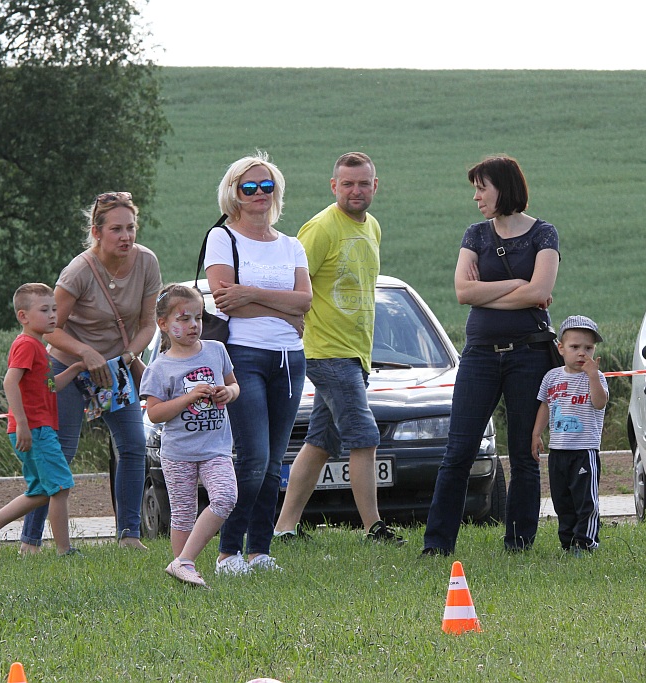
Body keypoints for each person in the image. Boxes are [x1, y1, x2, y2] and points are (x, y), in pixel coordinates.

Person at [422, 154, 560, 555]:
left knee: (524, 453)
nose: (476, 197)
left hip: (529, 356)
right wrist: (518, 283)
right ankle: (437, 545)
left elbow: (540, 293)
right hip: (480, 355)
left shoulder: (544, 234)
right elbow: (464, 293)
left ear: (505, 187)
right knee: (458, 451)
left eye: (482, 188)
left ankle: (519, 544)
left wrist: (494, 294)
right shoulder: (476, 234)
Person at [272, 152, 403, 544]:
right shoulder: (321, 228)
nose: (356, 191)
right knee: (364, 435)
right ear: (334, 187)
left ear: (375, 186)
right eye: (347, 184)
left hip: (356, 353)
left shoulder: (373, 227)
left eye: (363, 183)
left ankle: (284, 529)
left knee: (321, 442)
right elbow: (291, 286)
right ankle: (373, 528)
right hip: (327, 351)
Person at [22, 192, 161, 553]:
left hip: (114, 369)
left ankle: (129, 536)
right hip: (67, 367)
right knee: (60, 455)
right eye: (116, 229)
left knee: (133, 446)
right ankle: (30, 542)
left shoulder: (147, 262)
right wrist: (85, 352)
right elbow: (49, 328)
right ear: (97, 232)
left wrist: (128, 356)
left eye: (130, 227)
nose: (126, 236)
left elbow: (148, 324)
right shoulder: (79, 271)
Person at [205, 152, 311, 576]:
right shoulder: (223, 238)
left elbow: (305, 301)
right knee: (252, 457)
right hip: (243, 356)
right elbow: (224, 300)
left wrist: (251, 296)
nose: (259, 195)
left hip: (289, 359)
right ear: (234, 193)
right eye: (249, 187)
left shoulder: (291, 245)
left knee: (273, 461)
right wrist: (283, 311)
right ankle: (228, 552)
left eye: (266, 186)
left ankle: (259, 550)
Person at [0, 284, 84, 559]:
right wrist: (22, 423)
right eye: (44, 310)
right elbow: (10, 381)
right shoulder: (27, 345)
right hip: (35, 429)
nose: (52, 315)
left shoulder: (39, 347)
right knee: (61, 486)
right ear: (23, 316)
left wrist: (76, 368)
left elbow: (50, 386)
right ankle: (64, 551)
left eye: (54, 309)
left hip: (39, 428)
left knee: (42, 491)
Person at [139, 285, 240, 587]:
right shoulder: (159, 368)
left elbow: (235, 386)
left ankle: (183, 560)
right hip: (178, 453)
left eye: (197, 318)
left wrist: (228, 393)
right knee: (182, 515)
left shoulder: (216, 351)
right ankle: (184, 572)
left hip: (216, 449)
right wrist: (189, 397)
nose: (193, 325)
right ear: (164, 324)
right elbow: (155, 414)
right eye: (183, 319)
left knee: (225, 497)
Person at [531, 315, 609, 552]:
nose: (582, 353)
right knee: (562, 500)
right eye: (575, 347)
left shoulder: (596, 378)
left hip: (584, 451)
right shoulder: (551, 377)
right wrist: (536, 434)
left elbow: (599, 402)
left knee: (585, 500)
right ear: (561, 348)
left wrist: (593, 376)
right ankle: (568, 542)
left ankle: (586, 543)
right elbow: (545, 405)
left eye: (588, 348)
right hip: (558, 451)